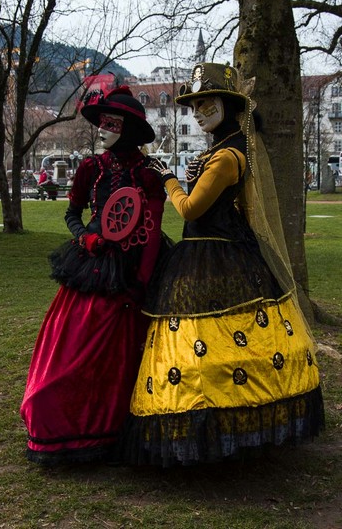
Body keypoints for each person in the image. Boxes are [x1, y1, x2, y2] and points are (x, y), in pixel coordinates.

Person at [121, 62, 325, 467]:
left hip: (214, 254)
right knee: (206, 345)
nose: (198, 112)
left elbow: (190, 209)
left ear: (229, 106)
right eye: (194, 106)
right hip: (212, 252)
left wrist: (168, 178)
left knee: (214, 342)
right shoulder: (220, 150)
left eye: (206, 103)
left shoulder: (227, 156)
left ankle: (223, 429)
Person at [20, 84, 167, 464]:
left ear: (128, 129)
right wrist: (85, 239)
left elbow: (151, 229)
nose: (101, 130)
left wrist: (143, 281)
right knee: (74, 346)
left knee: (125, 351)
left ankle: (118, 426)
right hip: (94, 266)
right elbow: (72, 214)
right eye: (100, 123)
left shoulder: (149, 175)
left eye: (110, 124)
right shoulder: (91, 168)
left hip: (133, 271)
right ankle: (65, 421)